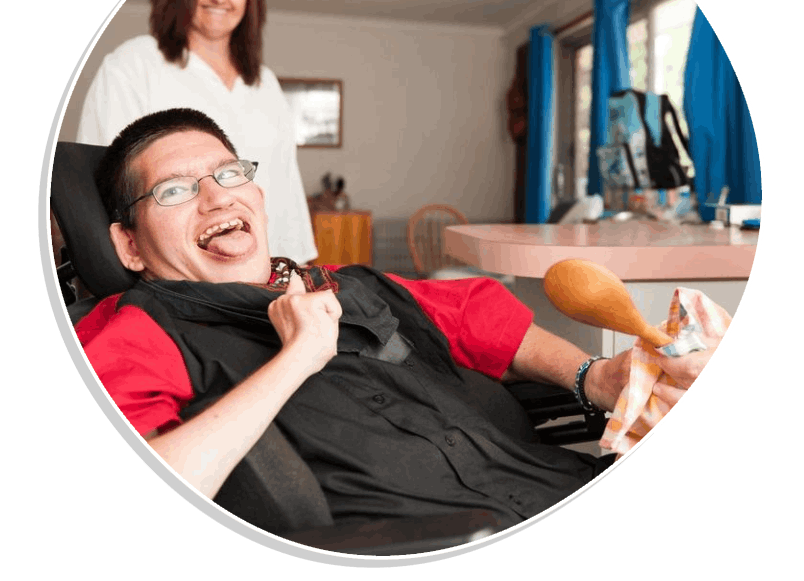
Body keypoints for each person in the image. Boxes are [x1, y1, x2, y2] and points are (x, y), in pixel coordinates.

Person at [77, 108, 715, 530]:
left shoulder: (348, 282)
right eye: (174, 189)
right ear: (129, 244)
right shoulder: (135, 328)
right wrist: (296, 358)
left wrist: (597, 376)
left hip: (551, 482)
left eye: (228, 173)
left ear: (257, 195)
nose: (216, 195)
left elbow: (473, 312)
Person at [77, 0, 316, 264]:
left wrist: (298, 266)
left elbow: (287, 185)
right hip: (181, 276)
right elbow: (102, 187)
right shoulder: (133, 65)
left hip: (269, 270)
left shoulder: (264, 82)